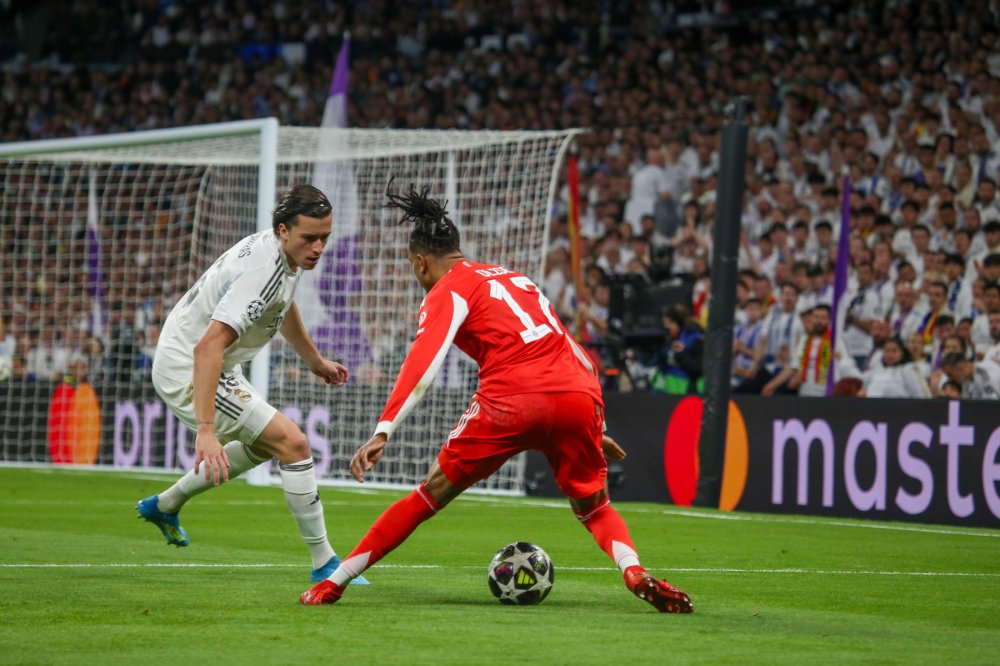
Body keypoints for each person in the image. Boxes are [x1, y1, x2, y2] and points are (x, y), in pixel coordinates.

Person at [300, 184, 693, 613]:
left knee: (429, 494)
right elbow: (572, 348)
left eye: (414, 269)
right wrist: (595, 426)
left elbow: (423, 360)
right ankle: (634, 571)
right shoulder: (516, 278)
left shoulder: (448, 289)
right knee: (595, 507)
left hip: (511, 399)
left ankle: (334, 582)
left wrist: (384, 429)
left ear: (421, 261)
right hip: (578, 392)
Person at [135, 184, 367, 585]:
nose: (318, 248)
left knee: (265, 445)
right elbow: (208, 347)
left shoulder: (284, 255)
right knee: (293, 444)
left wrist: (313, 360)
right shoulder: (262, 271)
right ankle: (325, 562)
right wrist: (205, 430)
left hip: (211, 360)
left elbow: (282, 304)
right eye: (309, 238)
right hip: (189, 367)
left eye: (325, 238)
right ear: (283, 230)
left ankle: (165, 504)